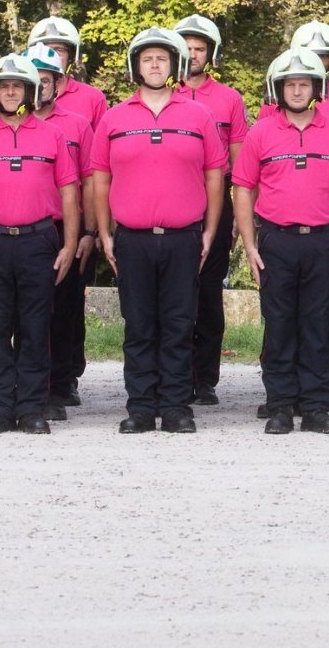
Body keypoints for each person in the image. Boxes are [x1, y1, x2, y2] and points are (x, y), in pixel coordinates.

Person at [91, 27, 226, 434]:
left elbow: (214, 176)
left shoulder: (198, 116)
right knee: (139, 326)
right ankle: (141, 407)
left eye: (162, 59)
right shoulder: (114, 118)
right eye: (147, 59)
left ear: (175, 65)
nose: (154, 65)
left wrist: (209, 231)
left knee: (179, 325)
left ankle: (176, 407)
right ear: (136, 66)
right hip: (132, 239)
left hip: (184, 238)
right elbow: (100, 179)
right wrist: (105, 233)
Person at [234, 48, 329, 434]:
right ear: (278, 89)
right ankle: (280, 406)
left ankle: (316, 407)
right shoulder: (261, 133)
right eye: (289, 84)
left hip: (324, 242)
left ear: (317, 87)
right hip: (276, 241)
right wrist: (250, 245)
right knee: (279, 326)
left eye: (303, 83)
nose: (296, 90)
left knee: (317, 326)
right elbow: (243, 189)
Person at [0, 54, 79, 434]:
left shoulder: (52, 135)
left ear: (30, 91)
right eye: (4, 86)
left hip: (38, 241)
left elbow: (69, 193)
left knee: (35, 329)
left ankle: (31, 408)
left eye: (17, 86)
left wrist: (69, 245)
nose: (10, 92)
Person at [173, 14, 249, 406]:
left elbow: (241, 164)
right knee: (174, 293)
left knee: (207, 293)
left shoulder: (229, 99)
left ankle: (204, 379)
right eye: (186, 48)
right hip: (173, 204)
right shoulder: (161, 97)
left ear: (211, 53)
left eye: (199, 48)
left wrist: (236, 216)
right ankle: (175, 375)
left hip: (215, 207)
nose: (192, 55)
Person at [28, 44, 96, 419]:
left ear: (58, 83)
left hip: (66, 228)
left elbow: (91, 181)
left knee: (64, 309)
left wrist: (89, 231)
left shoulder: (77, 125)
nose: (38, 87)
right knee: (27, 312)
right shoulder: (8, 126)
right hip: (27, 229)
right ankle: (29, 383)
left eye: (45, 80)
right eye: (32, 80)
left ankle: (60, 384)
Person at [27, 16, 108, 129]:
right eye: (45, 50)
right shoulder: (20, 96)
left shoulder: (92, 98)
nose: (52, 57)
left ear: (71, 57)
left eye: (59, 50)